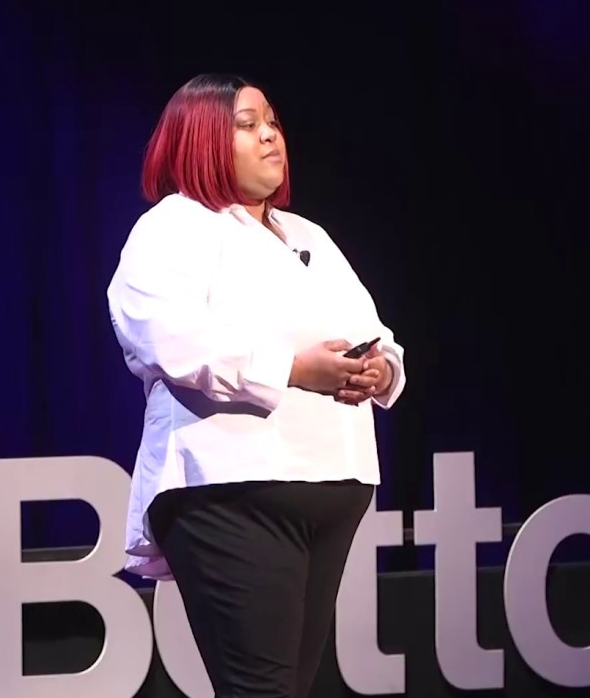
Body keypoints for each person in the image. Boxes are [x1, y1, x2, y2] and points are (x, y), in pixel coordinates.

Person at [106, 73, 406, 697]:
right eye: (247, 125)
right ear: (201, 140)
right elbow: (168, 341)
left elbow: (372, 330)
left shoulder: (307, 235)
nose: (270, 134)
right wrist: (293, 369)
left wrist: (380, 368)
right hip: (233, 490)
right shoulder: (173, 228)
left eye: (272, 120)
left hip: (330, 481)